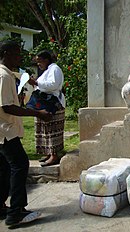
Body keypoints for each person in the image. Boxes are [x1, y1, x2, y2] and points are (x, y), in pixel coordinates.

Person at [0, 40, 52, 226]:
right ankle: (16, 212)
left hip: (4, 131)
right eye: (16, 54)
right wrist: (37, 113)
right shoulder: (4, 76)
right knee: (20, 165)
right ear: (5, 53)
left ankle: (2, 207)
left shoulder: (6, 74)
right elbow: (7, 107)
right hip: (5, 130)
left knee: (5, 168)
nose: (19, 57)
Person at [27, 50, 66, 167]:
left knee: (52, 128)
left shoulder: (55, 69)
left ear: (46, 60)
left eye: (40, 62)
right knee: (44, 128)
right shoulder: (47, 71)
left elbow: (53, 84)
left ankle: (54, 155)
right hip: (44, 103)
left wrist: (36, 83)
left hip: (52, 103)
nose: (38, 64)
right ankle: (49, 153)